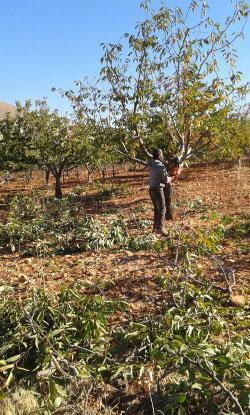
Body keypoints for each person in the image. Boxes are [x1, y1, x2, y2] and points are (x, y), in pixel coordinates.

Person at [148, 148, 173, 236]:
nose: (162, 156)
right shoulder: (160, 166)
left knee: (156, 209)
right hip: (158, 190)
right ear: (159, 156)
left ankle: (155, 228)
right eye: (161, 154)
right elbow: (166, 180)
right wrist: (171, 177)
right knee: (162, 208)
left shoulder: (150, 163)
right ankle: (160, 228)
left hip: (151, 189)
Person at [164, 156, 180, 221]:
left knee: (168, 201)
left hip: (169, 186)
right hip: (166, 185)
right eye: (170, 163)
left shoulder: (177, 169)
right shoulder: (168, 168)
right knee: (167, 202)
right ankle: (168, 216)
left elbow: (173, 178)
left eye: (172, 163)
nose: (171, 164)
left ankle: (169, 216)